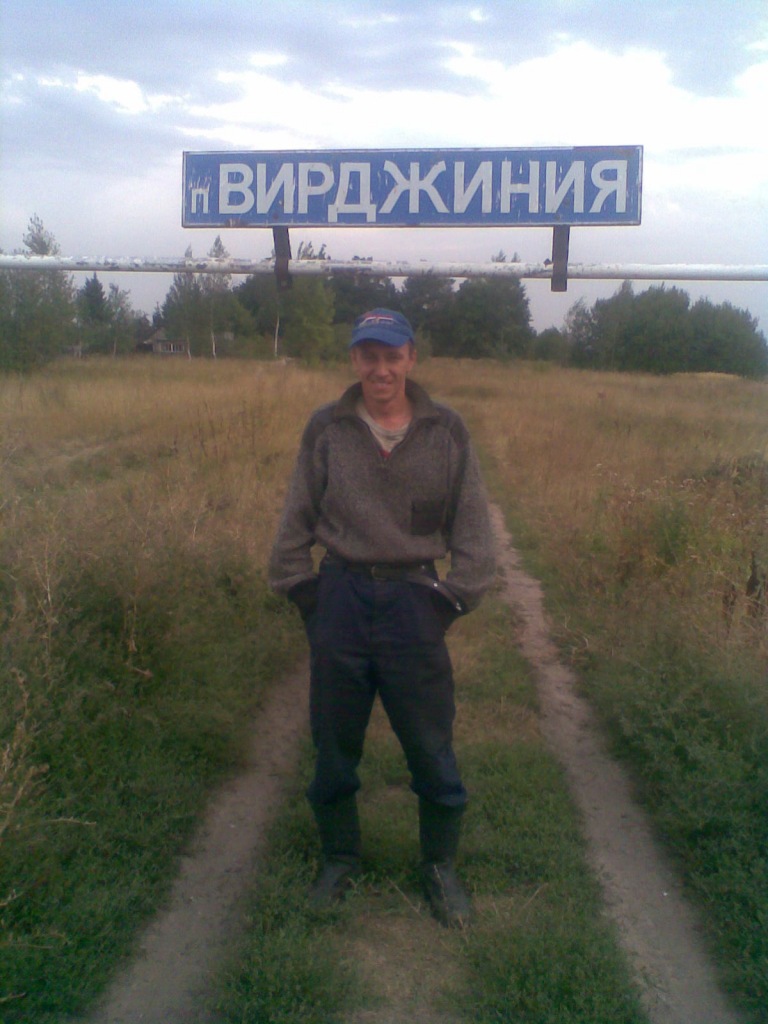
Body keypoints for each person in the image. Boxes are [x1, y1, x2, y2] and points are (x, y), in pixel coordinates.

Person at [268, 308, 495, 927]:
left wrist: (451, 599)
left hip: (414, 602)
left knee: (430, 744)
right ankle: (338, 859)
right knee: (333, 743)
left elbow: (474, 528)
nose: (381, 369)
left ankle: (440, 868)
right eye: (369, 355)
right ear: (354, 360)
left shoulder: (446, 431)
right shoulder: (327, 428)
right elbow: (295, 519)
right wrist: (305, 595)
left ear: (411, 358)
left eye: (392, 356)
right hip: (340, 597)